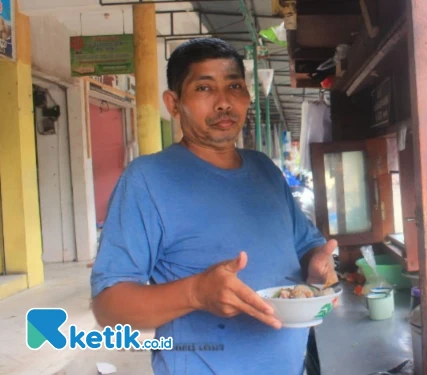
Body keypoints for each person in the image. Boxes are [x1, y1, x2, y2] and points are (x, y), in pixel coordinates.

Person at [90, 38, 338, 375]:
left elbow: (304, 243)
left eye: (234, 85)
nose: (224, 102)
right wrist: (196, 293)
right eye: (204, 87)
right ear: (174, 104)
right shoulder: (147, 180)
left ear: (247, 97)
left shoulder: (264, 169)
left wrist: (316, 266)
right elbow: (108, 308)